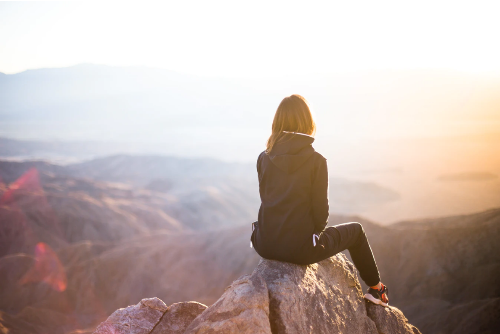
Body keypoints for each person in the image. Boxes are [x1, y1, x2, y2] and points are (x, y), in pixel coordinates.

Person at [250, 94, 389, 306]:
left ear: (277, 122)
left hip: (264, 244)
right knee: (357, 231)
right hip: (301, 250)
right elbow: (321, 216)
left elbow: (267, 199)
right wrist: (310, 236)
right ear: (308, 122)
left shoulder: (263, 157)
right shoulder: (316, 161)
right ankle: (376, 289)